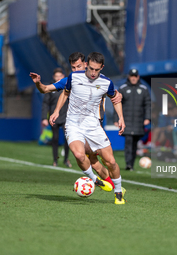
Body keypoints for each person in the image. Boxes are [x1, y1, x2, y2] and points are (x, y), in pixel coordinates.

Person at [30, 52, 122, 189]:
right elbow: (57, 92)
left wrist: (117, 98)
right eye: (73, 67)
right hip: (76, 124)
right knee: (90, 160)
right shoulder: (71, 79)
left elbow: (113, 94)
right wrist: (55, 109)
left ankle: (113, 185)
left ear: (85, 64)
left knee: (97, 160)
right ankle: (109, 185)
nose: (76, 70)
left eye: (78, 66)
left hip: (95, 123)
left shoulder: (100, 79)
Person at [50, 52, 126, 204]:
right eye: (90, 68)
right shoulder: (74, 77)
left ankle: (118, 191)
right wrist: (57, 110)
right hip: (73, 124)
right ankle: (95, 180)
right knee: (79, 155)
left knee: (110, 161)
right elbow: (65, 93)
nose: (92, 73)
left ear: (101, 68)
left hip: (93, 125)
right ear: (86, 65)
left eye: (96, 70)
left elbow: (115, 99)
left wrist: (121, 117)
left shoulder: (106, 82)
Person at [114, 69, 151, 171]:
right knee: (128, 142)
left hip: (139, 121)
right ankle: (128, 164)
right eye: (132, 76)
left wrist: (148, 117)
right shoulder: (123, 88)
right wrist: (116, 119)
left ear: (138, 77)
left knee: (135, 143)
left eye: (135, 76)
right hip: (127, 121)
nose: (133, 78)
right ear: (129, 77)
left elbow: (147, 104)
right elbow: (117, 103)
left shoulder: (143, 89)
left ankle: (132, 164)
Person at [41, 68, 72, 167]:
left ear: (63, 76)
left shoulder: (67, 86)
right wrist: (44, 118)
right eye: (56, 76)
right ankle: (55, 160)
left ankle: (66, 159)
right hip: (54, 117)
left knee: (68, 138)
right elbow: (45, 103)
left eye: (60, 76)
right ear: (54, 77)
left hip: (66, 116)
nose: (58, 78)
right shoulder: (51, 88)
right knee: (55, 138)